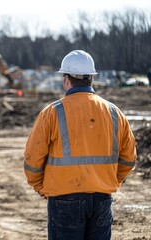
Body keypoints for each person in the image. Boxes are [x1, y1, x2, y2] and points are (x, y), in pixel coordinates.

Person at [23, 50, 136, 240]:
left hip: (64, 200)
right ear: (91, 78)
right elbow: (129, 159)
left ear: (66, 80)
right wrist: (109, 181)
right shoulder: (115, 113)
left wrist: (40, 187)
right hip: (102, 199)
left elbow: (33, 159)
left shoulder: (52, 112)